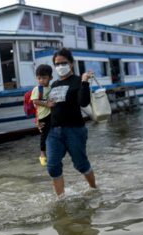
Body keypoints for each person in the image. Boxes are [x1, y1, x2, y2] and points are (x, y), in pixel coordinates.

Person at [46, 48, 96, 196]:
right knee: (52, 165)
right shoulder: (54, 84)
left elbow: (83, 102)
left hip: (74, 129)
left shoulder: (78, 81)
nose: (60, 66)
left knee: (80, 164)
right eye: (57, 64)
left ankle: (94, 189)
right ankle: (60, 199)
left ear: (71, 63)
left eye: (64, 63)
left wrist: (85, 82)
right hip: (54, 131)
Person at [30, 64, 53, 167]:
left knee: (53, 132)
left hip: (52, 113)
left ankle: (52, 151)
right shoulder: (37, 89)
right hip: (43, 115)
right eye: (39, 78)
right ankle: (42, 153)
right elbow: (35, 101)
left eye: (44, 78)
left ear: (50, 78)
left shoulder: (51, 88)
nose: (41, 80)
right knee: (44, 135)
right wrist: (46, 103)